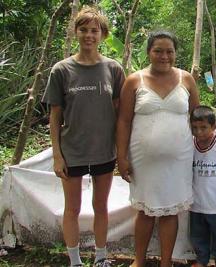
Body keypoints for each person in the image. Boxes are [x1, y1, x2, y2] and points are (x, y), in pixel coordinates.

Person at [42, 6, 125, 267]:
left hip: (103, 151)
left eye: (94, 30)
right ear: (75, 32)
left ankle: (101, 258)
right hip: (72, 151)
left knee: (101, 206)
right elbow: (55, 116)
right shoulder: (61, 70)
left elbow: (121, 113)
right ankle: (75, 261)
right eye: (84, 30)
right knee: (73, 208)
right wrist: (57, 155)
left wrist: (122, 152)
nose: (89, 35)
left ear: (102, 35)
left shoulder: (113, 69)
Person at [116, 30, 200, 267]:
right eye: (158, 51)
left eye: (169, 51)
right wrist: (121, 157)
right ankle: (139, 260)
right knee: (144, 211)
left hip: (179, 159)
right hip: (143, 160)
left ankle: (166, 262)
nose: (164, 56)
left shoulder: (187, 79)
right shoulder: (134, 80)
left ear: (175, 53)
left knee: (170, 212)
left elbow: (198, 117)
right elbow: (123, 120)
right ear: (149, 52)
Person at [190, 105, 216, 267]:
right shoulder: (190, 144)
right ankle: (202, 260)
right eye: (195, 128)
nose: (199, 132)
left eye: (204, 128)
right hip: (196, 204)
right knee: (198, 236)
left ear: (214, 127)